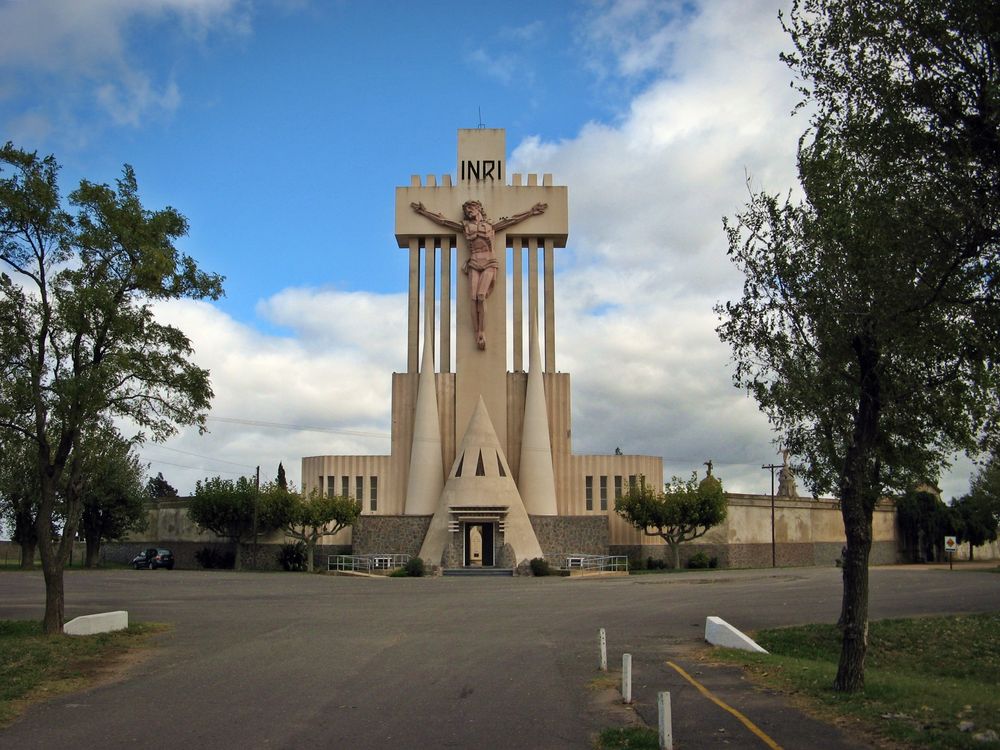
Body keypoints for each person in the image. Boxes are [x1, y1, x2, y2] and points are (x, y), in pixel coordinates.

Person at [411, 199, 546, 349]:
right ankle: (477, 333)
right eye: (467, 209)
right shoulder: (465, 226)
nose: (469, 211)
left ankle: (482, 331)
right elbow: (443, 222)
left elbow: (512, 220)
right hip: (474, 263)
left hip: (489, 262)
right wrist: (423, 212)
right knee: (473, 298)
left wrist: (531, 212)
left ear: (479, 209)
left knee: (481, 296)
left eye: (471, 207)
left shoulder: (490, 225)